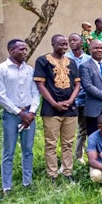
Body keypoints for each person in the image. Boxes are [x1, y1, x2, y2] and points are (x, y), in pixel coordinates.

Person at [0, 39, 41, 195]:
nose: (24, 52)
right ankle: (7, 186)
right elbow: (1, 96)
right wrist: (21, 113)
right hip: (12, 115)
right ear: (11, 51)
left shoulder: (30, 70)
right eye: (21, 49)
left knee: (28, 150)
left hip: (29, 114)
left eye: (25, 49)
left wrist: (32, 112)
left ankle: (27, 182)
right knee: (9, 151)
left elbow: (35, 92)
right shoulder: (1, 70)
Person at [34, 35, 81, 183]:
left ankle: (68, 172)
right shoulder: (43, 61)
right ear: (53, 44)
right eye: (61, 44)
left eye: (66, 44)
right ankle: (52, 174)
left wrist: (70, 100)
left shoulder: (71, 62)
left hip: (70, 108)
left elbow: (77, 85)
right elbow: (40, 85)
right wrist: (54, 103)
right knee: (51, 143)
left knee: (68, 143)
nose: (64, 47)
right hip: (51, 109)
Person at [66, 33, 93, 165]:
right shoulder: (65, 58)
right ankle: (66, 159)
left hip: (85, 99)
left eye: (75, 40)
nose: (72, 42)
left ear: (81, 42)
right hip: (69, 100)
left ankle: (79, 155)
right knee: (68, 130)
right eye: (70, 40)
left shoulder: (88, 59)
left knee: (83, 129)